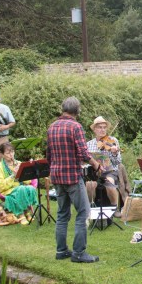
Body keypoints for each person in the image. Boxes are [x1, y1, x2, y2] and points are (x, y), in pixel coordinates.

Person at [47, 97, 101, 264]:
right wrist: (96, 164)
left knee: (62, 214)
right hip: (71, 176)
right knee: (83, 212)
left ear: (63, 108)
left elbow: (48, 154)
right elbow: (84, 153)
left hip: (56, 175)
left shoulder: (52, 127)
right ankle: (79, 253)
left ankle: (61, 251)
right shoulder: (75, 127)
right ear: (77, 111)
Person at [0, 143, 39, 225]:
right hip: (7, 190)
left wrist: (26, 170)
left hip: (19, 188)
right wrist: (13, 176)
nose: (11, 155)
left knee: (30, 188)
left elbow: (28, 182)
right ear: (2, 154)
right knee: (21, 189)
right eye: (8, 153)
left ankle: (27, 212)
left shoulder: (18, 163)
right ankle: (22, 215)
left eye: (12, 152)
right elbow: (1, 186)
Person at [85, 116, 122, 208]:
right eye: (100, 127)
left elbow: (117, 163)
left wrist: (114, 153)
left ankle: (115, 208)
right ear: (94, 129)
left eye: (104, 127)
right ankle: (91, 208)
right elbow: (85, 161)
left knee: (109, 183)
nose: (103, 130)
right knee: (89, 185)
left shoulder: (113, 141)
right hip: (94, 173)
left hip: (110, 172)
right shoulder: (88, 144)